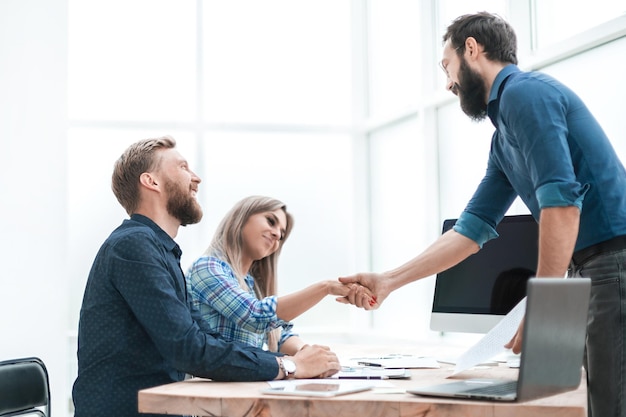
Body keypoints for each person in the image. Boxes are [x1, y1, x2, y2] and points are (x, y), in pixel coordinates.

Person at [339, 12, 626, 417]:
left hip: (614, 261)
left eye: (447, 65)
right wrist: (389, 281)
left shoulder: (525, 94)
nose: (448, 82)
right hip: (589, 269)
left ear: (471, 49)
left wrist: (543, 309)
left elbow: (561, 204)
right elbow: (470, 231)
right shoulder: (503, 137)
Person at [72, 136, 341, 417]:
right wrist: (291, 367)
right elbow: (189, 349)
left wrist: (290, 361)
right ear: (152, 182)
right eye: (183, 167)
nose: (196, 178)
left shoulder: (159, 250)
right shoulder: (134, 245)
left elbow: (203, 338)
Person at [186, 195, 353, 355]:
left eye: (282, 234)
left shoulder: (252, 285)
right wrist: (326, 288)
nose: (277, 235)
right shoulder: (207, 267)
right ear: (241, 218)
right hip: (209, 384)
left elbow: (280, 335)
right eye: (271, 221)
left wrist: (307, 353)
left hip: (242, 382)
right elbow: (255, 317)